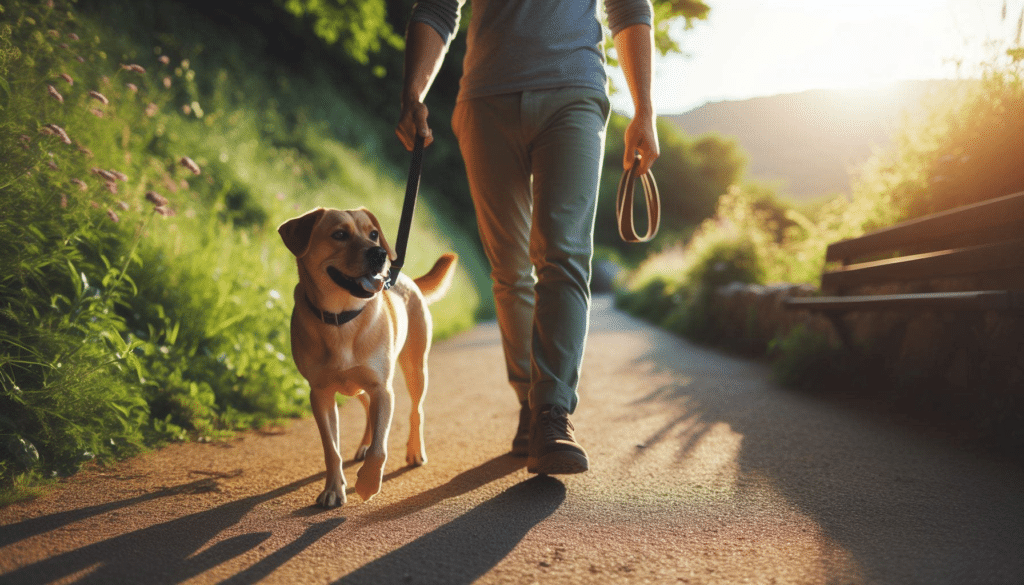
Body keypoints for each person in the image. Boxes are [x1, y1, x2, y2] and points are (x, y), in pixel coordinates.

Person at [396, 0, 660, 475]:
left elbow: (628, 8)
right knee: (510, 266)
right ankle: (530, 402)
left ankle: (553, 410)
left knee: (564, 253)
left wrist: (645, 110)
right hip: (486, 98)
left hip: (574, 92)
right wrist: (413, 92)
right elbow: (436, 8)